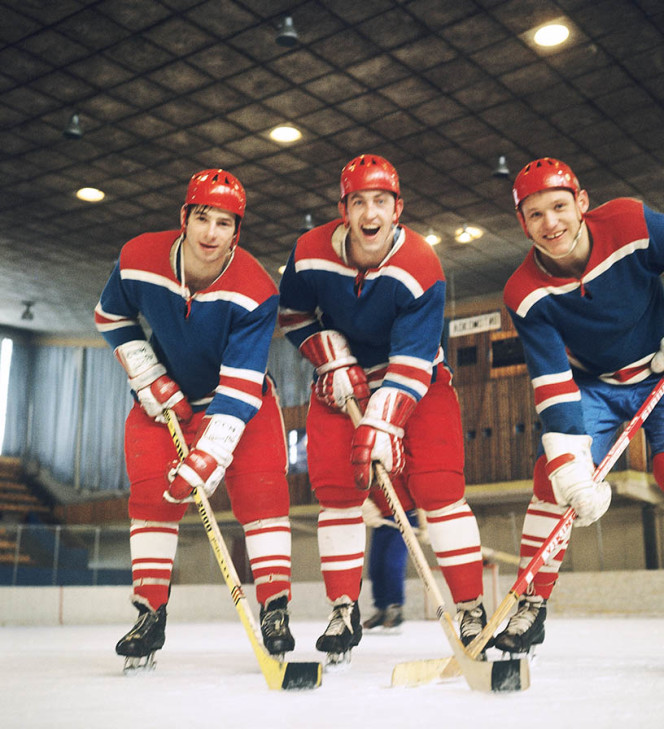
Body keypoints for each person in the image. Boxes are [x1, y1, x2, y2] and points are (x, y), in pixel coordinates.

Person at [495, 157, 664, 666]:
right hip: (593, 384)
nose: (551, 224)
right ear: (523, 224)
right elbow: (551, 381)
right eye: (536, 214)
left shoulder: (630, 224)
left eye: (560, 207)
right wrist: (569, 465)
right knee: (551, 482)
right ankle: (529, 607)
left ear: (582, 203)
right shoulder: (524, 292)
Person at [278, 154, 487, 664]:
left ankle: (471, 608)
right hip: (339, 383)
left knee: (439, 490)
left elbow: (413, 361)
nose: (369, 213)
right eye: (358, 202)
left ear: (399, 209)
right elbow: (293, 313)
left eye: (381, 201)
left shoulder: (421, 265)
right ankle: (344, 610)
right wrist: (327, 353)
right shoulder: (308, 252)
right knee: (336, 494)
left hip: (416, 381)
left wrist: (381, 421)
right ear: (343, 209)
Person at [95, 168, 296, 670]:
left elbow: (242, 384)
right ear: (183, 217)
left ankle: (275, 609)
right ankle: (149, 614)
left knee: (263, 497)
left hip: (238, 402)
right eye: (202, 218)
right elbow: (110, 316)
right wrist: (145, 372)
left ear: (237, 231)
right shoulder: (138, 257)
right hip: (167, 404)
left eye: (224, 223)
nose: (211, 233)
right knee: (150, 501)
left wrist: (212, 451)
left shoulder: (256, 289)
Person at [361, 484, 423, 632]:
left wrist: (423, 520)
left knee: (393, 563)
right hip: (382, 518)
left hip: (405, 515)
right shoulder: (369, 464)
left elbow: (416, 485)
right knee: (375, 566)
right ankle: (381, 609)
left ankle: (395, 608)